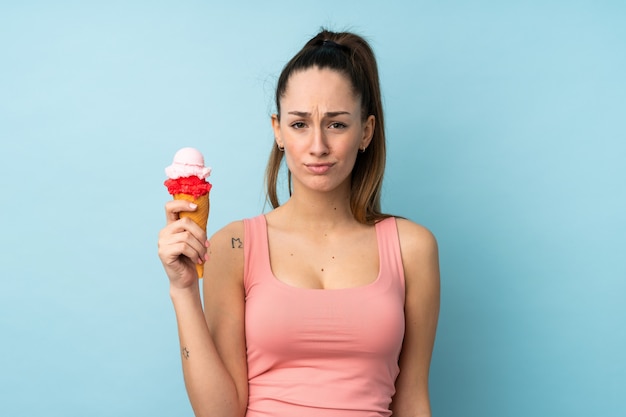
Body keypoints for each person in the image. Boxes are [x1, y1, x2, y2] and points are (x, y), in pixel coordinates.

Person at [157, 29, 440, 417]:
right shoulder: (233, 246)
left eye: (337, 124)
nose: (318, 146)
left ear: (366, 132)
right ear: (278, 130)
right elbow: (220, 412)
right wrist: (183, 290)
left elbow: (412, 400)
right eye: (300, 124)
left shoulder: (412, 248)